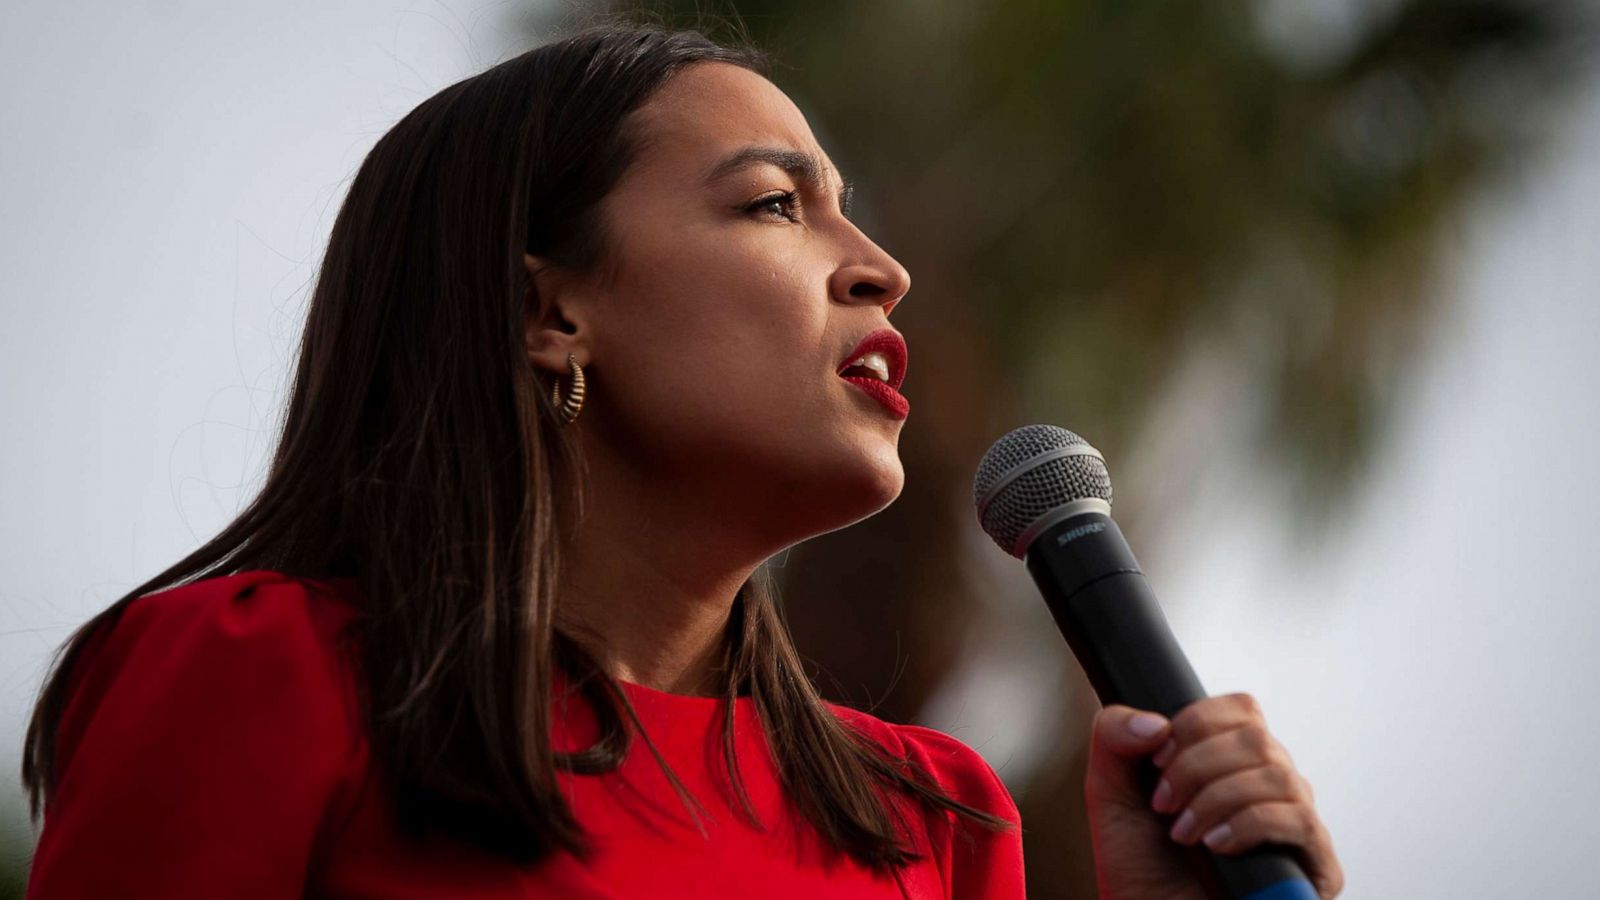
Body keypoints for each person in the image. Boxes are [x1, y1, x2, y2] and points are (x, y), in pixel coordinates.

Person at [19, 18, 1342, 899]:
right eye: (777, 205)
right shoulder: (268, 673)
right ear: (548, 311)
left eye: (850, 214)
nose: (883, 270)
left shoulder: (930, 817)